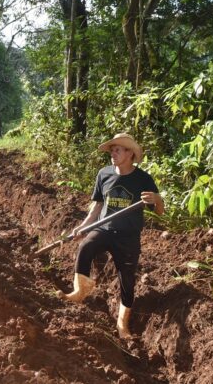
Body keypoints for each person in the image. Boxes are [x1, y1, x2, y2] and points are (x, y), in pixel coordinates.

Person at [57, 133, 164, 338]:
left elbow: (159, 212)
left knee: (127, 280)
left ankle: (122, 324)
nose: (112, 154)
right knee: (85, 247)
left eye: (117, 150)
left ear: (130, 153)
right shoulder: (104, 174)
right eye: (112, 150)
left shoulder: (143, 179)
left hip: (128, 236)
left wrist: (158, 199)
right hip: (104, 228)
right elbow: (97, 206)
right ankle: (80, 292)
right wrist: (83, 226)